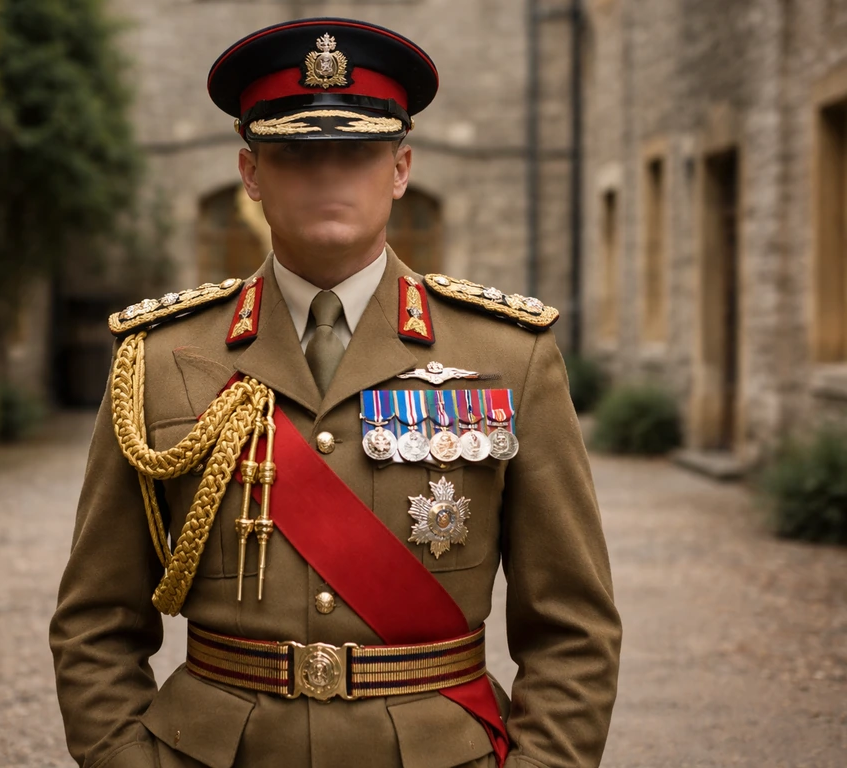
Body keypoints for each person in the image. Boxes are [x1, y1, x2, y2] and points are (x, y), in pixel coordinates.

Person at [50, 17, 621, 768]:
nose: (328, 175)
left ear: (400, 168)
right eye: (295, 154)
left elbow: (573, 625)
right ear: (251, 175)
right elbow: (97, 618)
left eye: (356, 152)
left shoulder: (508, 353)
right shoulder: (158, 359)